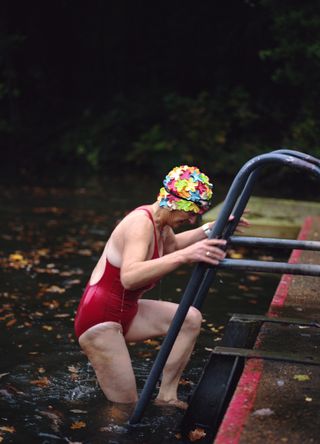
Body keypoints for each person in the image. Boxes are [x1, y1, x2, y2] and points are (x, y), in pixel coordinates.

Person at [74, 165, 237, 408]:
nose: (191, 219)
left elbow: (170, 248)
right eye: (190, 213)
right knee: (126, 407)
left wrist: (209, 229)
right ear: (172, 202)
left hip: (126, 311)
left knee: (188, 319)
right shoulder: (141, 223)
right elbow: (129, 277)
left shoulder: (162, 225)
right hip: (100, 321)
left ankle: (167, 396)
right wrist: (186, 256)